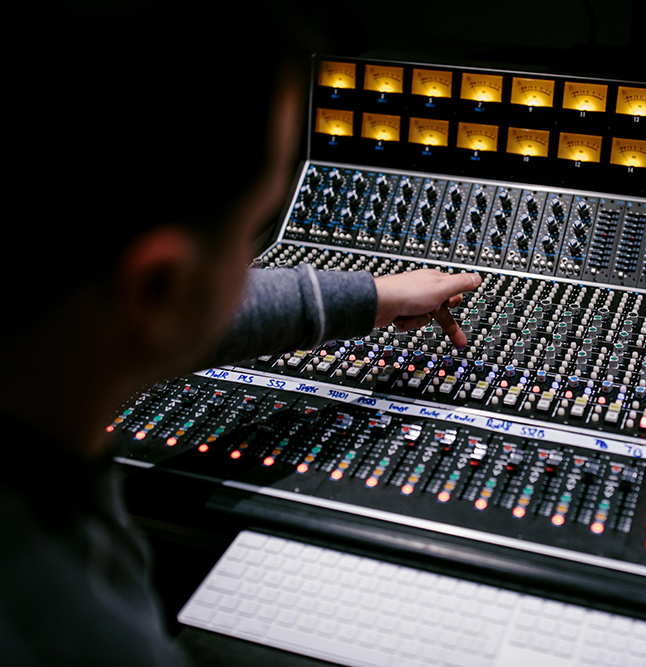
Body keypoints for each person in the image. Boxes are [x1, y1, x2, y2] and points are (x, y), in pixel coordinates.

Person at [0, 1, 478, 664]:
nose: (254, 266)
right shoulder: (63, 625)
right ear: (158, 288)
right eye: (252, 227)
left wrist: (373, 295)